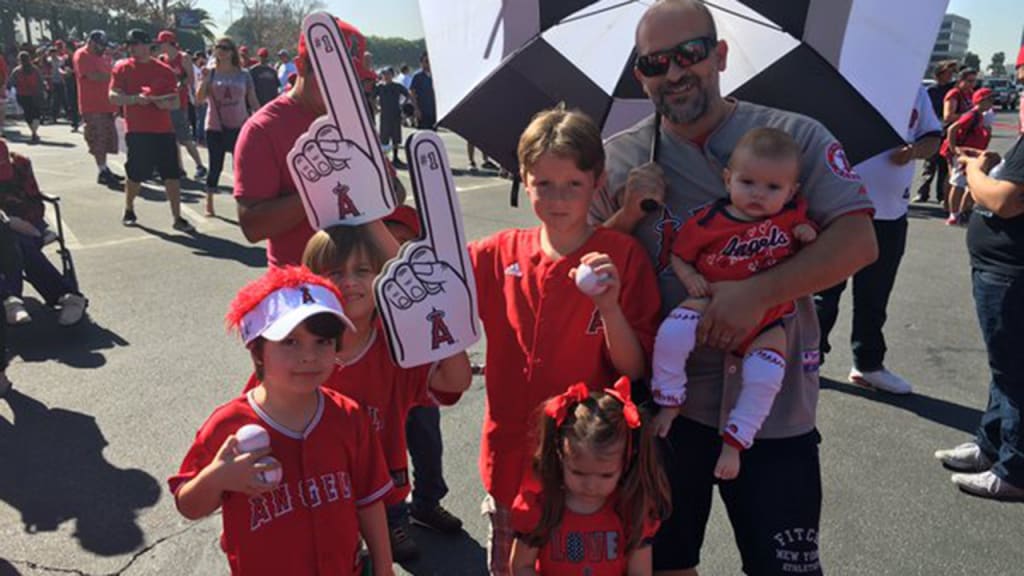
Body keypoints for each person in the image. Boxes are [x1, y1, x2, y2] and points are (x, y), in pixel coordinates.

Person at [591, 1, 877, 574]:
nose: (674, 72)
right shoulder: (619, 158)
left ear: (719, 55)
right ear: (640, 76)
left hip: (773, 406)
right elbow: (579, 266)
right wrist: (625, 215)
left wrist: (758, 294)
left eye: (690, 54)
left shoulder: (794, 139)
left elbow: (858, 241)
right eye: (654, 63)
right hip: (667, 411)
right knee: (666, 564)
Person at [470, 106, 660, 576]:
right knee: (508, 565)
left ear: (598, 181)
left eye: (573, 183)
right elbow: (432, 281)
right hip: (511, 462)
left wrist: (609, 307)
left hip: (588, 475)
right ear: (523, 179)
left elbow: (634, 368)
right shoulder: (495, 253)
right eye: (543, 183)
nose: (558, 198)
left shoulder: (622, 258)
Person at [169, 266, 396, 575]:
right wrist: (217, 478)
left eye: (323, 341)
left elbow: (369, 501)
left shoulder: (349, 416)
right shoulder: (228, 426)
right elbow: (188, 506)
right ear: (258, 351)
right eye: (290, 341)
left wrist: (384, 567)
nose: (309, 356)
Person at [293, 223, 470, 561]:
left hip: (382, 491)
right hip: (316, 495)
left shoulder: (395, 348)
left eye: (362, 271)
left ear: (384, 280)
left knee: (380, 556)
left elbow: (456, 380)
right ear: (311, 281)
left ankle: (393, 528)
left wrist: (430, 306)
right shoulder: (296, 349)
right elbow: (259, 409)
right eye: (335, 272)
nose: (349, 281)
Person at [650, 128, 817, 481]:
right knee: (671, 334)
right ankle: (669, 400)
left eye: (773, 187)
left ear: (792, 192)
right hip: (710, 299)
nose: (758, 194)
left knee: (766, 376)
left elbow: (814, 248)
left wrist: (807, 233)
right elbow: (679, 254)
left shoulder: (791, 217)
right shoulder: (708, 221)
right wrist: (689, 277)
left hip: (769, 318)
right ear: (728, 179)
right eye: (747, 182)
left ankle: (736, 441)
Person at [933, 47, 1024, 502]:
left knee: (1014, 372)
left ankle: (1015, 469)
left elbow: (1005, 201)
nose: (1020, 98)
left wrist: (973, 170)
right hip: (1000, 268)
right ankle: (991, 446)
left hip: (1010, 272)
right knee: (1003, 367)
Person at [234, 21, 402, 268]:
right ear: (301, 66)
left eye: (350, 78)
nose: (342, 87)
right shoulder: (262, 129)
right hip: (301, 281)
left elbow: (396, 192)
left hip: (361, 278)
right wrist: (321, 189)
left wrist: (375, 184)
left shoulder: (353, 120)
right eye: (333, 76)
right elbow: (252, 226)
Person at [815, 85, 942, 394]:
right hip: (838, 209)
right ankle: (808, 361)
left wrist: (914, 151)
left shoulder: (914, 89)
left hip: (890, 213)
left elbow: (932, 138)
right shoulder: (842, 80)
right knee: (822, 295)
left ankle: (868, 364)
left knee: (874, 296)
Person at [509, 379, 671, 575]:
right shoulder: (542, 509)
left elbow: (640, 572)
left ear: (626, 462)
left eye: (606, 475)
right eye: (578, 472)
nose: (591, 485)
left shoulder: (632, 511)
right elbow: (521, 566)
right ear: (560, 456)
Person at [381, 206, 468, 547]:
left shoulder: (424, 289)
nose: (395, 251)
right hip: (382, 386)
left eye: (405, 243)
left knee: (428, 443)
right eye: (388, 240)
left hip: (421, 380)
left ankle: (427, 503)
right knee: (385, 454)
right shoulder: (365, 286)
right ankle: (390, 520)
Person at [110, 29, 195, 232]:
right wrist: (134, 99)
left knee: (171, 175)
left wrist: (163, 103)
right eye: (129, 44)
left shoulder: (164, 70)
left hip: (163, 130)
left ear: (148, 46)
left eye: (136, 44)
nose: (132, 48)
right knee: (136, 174)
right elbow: (112, 96)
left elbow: (175, 101)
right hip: (137, 131)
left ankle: (177, 217)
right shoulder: (122, 68)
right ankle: (129, 208)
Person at [0, 141, 88, 326]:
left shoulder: (21, 165)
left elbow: (34, 201)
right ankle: (67, 296)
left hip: (28, 221)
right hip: (6, 227)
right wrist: (10, 222)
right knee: (16, 241)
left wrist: (25, 222)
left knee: (19, 242)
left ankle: (12, 301)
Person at [196, 38, 259, 218]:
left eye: (225, 48)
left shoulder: (244, 75)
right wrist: (205, 80)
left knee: (240, 167)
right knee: (215, 165)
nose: (221, 51)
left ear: (233, 51)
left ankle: (242, 203)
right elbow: (199, 99)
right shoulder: (210, 73)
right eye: (218, 47)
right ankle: (209, 202)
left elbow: (252, 99)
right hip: (215, 126)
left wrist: (261, 117)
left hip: (240, 125)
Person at [74, 30, 124, 187]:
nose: (103, 48)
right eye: (100, 45)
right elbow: (92, 76)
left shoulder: (102, 56)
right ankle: (102, 171)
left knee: (107, 139)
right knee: (98, 138)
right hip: (93, 105)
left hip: (106, 104)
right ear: (91, 42)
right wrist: (116, 76)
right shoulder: (82, 55)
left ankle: (104, 168)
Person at [157, 30, 207, 181]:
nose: (160, 46)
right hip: (167, 101)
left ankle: (200, 166)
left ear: (169, 43)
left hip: (180, 102)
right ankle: (179, 168)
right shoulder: (162, 59)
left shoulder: (183, 57)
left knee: (184, 137)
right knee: (172, 137)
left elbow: (190, 79)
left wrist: (179, 84)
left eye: (162, 43)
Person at [943, 88, 994, 226]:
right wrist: (954, 149)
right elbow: (952, 128)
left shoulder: (981, 116)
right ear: (981, 101)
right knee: (958, 183)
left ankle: (963, 211)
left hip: (973, 153)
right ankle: (954, 214)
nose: (992, 103)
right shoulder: (972, 115)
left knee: (970, 183)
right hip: (964, 152)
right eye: (989, 99)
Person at [915, 60, 958, 203]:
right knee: (929, 163)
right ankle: (923, 192)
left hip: (948, 130)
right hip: (933, 128)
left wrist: (954, 67)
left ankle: (941, 195)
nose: (950, 75)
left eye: (951, 73)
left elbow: (965, 77)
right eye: (947, 73)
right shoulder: (931, 91)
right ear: (939, 74)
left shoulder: (953, 90)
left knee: (944, 164)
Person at [373, 68, 409, 167]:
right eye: (385, 74)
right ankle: (385, 159)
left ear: (392, 75)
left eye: (388, 74)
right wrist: (376, 107)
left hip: (396, 115)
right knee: (384, 138)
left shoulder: (397, 86)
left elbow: (408, 94)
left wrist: (402, 105)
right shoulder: (380, 87)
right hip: (385, 116)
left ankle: (396, 158)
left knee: (396, 138)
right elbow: (372, 97)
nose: (386, 76)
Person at [7, 52, 43, 143]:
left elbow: (11, 82)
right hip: (35, 94)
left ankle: (33, 132)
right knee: (36, 114)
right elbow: (40, 82)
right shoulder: (35, 70)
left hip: (22, 95)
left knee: (28, 114)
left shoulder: (17, 71)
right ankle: (34, 132)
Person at [409, 53, 436, 130]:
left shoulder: (435, 76)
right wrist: (416, 109)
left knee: (433, 133)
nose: (428, 63)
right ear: (421, 63)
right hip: (422, 111)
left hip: (433, 111)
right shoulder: (417, 77)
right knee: (423, 133)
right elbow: (412, 93)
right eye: (426, 61)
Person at [191, 51, 208, 144]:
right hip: (196, 95)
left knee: (202, 117)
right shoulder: (193, 68)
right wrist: (194, 97)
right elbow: (192, 84)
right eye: (202, 58)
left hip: (203, 96)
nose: (203, 60)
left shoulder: (200, 69)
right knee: (200, 118)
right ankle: (199, 137)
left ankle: (201, 136)